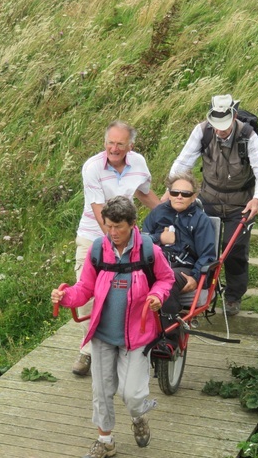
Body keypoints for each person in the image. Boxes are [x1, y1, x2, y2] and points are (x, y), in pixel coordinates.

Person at [51, 196, 174, 458]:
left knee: (131, 394)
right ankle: (105, 441)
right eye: (108, 226)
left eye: (118, 227)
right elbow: (84, 288)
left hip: (138, 335)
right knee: (102, 390)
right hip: (104, 334)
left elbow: (165, 279)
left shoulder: (150, 251)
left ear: (132, 224)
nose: (113, 233)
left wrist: (157, 296)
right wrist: (66, 298)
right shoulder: (98, 249)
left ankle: (139, 416)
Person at [164, 94, 258, 316]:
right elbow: (183, 162)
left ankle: (233, 296)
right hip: (208, 200)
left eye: (224, 125)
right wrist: (173, 190)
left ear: (233, 116)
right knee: (203, 247)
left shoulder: (248, 135)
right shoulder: (202, 131)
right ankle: (203, 292)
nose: (220, 130)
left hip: (240, 203)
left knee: (234, 251)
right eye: (216, 125)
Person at [73, 120, 160, 376]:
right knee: (87, 292)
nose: (114, 148)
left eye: (120, 144)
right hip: (93, 237)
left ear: (130, 146)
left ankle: (127, 344)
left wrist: (170, 211)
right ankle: (87, 352)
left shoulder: (139, 163)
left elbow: (144, 193)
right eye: (110, 142)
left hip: (127, 238)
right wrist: (115, 245)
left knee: (127, 293)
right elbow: (99, 211)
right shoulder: (92, 168)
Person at [142, 171, 216, 334]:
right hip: (156, 261)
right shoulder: (157, 213)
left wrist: (196, 278)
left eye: (185, 193)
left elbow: (207, 255)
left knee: (168, 280)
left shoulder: (200, 220)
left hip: (182, 267)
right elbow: (141, 240)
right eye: (175, 192)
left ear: (193, 196)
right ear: (169, 193)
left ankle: (168, 337)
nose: (179, 197)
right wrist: (160, 237)